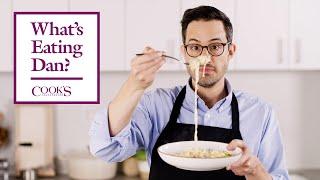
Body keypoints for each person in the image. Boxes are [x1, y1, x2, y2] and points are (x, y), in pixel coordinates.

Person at [89, 6, 289, 180]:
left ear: (231, 51)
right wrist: (133, 85)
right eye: (195, 47)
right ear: (184, 52)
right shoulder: (157, 105)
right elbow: (106, 149)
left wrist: (254, 170)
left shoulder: (260, 113)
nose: (205, 56)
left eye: (215, 46)